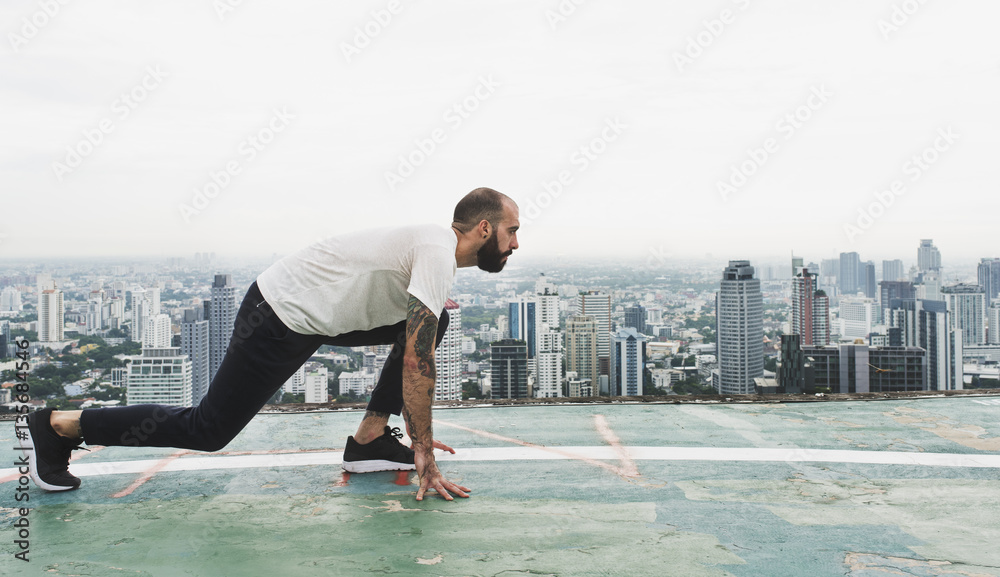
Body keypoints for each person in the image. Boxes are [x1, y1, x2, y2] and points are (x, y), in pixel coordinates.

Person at [20, 187, 519, 501]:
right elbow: (417, 361)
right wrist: (423, 452)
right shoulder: (435, 249)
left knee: (433, 325)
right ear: (483, 228)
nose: (515, 243)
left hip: (314, 316)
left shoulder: (435, 249)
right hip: (278, 315)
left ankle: (367, 440)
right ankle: (60, 426)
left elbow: (408, 326)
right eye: (511, 231)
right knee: (209, 429)